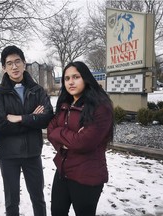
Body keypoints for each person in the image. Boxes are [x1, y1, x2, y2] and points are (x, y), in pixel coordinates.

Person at [0, 45, 54, 216]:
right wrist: (33, 118)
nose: (14, 66)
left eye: (18, 61)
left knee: (38, 198)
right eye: (9, 63)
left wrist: (20, 118)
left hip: (32, 153)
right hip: (8, 155)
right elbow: (1, 125)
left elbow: (47, 117)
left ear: (24, 63)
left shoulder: (37, 90)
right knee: (12, 201)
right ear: (4, 67)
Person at [47, 61, 114, 216]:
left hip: (87, 175)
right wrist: (66, 142)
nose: (71, 82)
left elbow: (83, 143)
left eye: (76, 77)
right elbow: (51, 130)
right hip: (63, 171)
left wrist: (61, 133)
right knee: (57, 212)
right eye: (67, 78)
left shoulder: (100, 107)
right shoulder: (65, 103)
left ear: (85, 78)